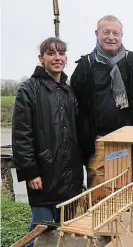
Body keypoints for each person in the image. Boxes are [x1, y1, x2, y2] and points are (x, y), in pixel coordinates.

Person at [12, 37, 84, 247]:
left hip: (69, 176)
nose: (57, 58)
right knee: (40, 229)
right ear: (41, 58)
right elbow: (21, 135)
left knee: (63, 232)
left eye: (61, 53)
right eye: (51, 53)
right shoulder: (28, 90)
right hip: (42, 174)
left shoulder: (69, 92)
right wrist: (30, 171)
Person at [71, 15, 133, 189]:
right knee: (98, 180)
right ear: (97, 34)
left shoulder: (132, 62)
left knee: (129, 183)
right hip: (99, 139)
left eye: (115, 33)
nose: (111, 37)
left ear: (121, 35)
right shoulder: (86, 65)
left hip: (129, 138)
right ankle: (99, 216)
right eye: (106, 32)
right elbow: (74, 104)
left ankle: (127, 217)